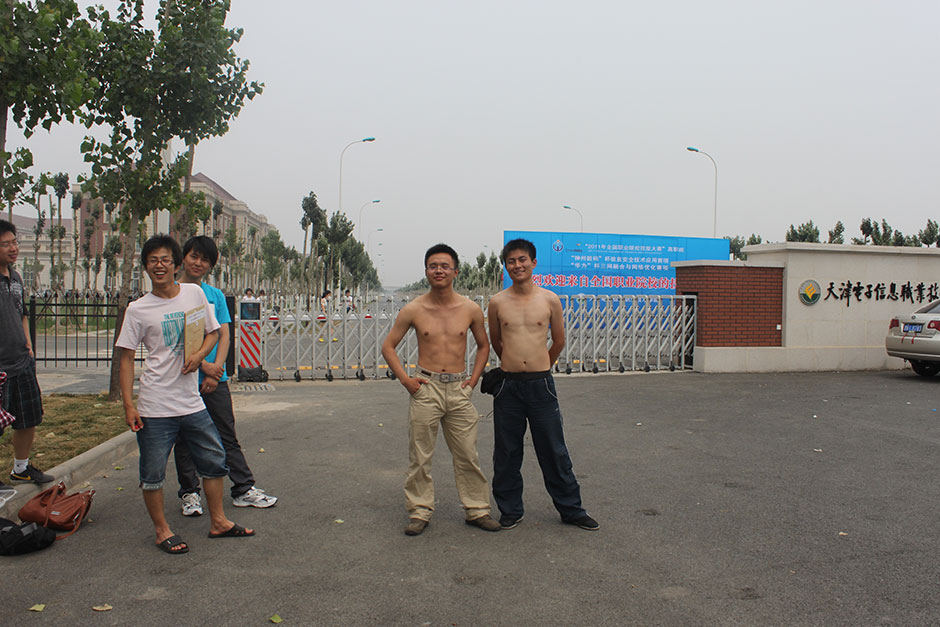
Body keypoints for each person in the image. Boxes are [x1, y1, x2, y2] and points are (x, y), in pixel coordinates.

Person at [117, 234, 254, 554]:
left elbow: (213, 332)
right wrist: (128, 405)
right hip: (154, 406)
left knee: (214, 461)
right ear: (146, 267)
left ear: (176, 265)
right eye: (153, 261)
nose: (159, 265)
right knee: (152, 473)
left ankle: (219, 521)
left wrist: (200, 357)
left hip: (191, 403)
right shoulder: (138, 310)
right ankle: (162, 530)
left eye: (165, 260)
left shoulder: (193, 294)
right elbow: (125, 358)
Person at [381, 244, 500, 536]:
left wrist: (473, 380)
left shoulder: (470, 309)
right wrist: (407, 381)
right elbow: (388, 347)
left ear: (455, 272)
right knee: (420, 456)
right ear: (426, 271)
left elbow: (483, 345)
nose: (439, 270)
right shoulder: (414, 309)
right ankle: (419, 511)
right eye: (433, 266)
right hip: (426, 388)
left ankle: (477, 510)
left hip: (459, 389)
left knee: (468, 454)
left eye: (445, 266)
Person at [486, 238, 598, 531]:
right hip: (508, 387)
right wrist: (513, 363)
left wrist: (540, 365)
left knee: (553, 449)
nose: (517, 265)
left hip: (541, 385)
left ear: (534, 263)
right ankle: (510, 509)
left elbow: (559, 340)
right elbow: (497, 341)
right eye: (511, 261)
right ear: (506, 266)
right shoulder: (497, 302)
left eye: (522, 259)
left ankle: (571, 509)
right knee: (506, 452)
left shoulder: (549, 299)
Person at [173, 236, 277, 516]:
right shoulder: (171, 294)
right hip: (183, 380)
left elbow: (224, 335)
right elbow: (171, 341)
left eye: (205, 260)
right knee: (184, 440)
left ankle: (243, 488)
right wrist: (203, 367)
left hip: (214, 381)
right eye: (194, 256)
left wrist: (216, 369)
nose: (198, 263)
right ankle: (190, 493)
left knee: (226, 436)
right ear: (184, 257)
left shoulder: (215, 296)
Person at [0, 220, 54, 488]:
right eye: (6, 244)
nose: (13, 248)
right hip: (1, 367)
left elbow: (22, 314)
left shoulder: (16, 278)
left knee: (28, 418)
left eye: (15, 242)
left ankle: (21, 469)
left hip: (22, 362)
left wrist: (29, 345)